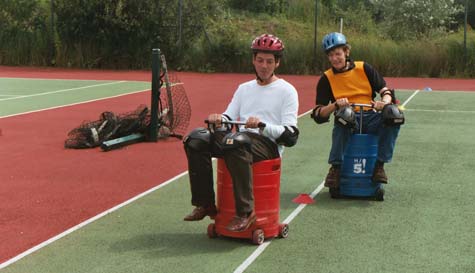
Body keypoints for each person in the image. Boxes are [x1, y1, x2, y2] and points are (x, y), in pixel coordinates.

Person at [183, 34, 299, 232]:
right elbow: (229, 120)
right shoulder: (244, 89)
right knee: (196, 139)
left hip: (267, 144)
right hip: (239, 140)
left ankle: (245, 212)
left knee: (235, 141)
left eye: (269, 61)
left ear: (277, 63)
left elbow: (291, 136)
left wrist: (262, 126)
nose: (264, 66)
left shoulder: (287, 91)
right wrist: (219, 119)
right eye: (260, 60)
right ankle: (205, 203)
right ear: (253, 60)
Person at [311, 32, 402, 189]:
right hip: (348, 118)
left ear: (346, 52)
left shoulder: (364, 68)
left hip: (370, 116)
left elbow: (386, 91)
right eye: (330, 55)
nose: (334, 58)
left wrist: (384, 103)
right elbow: (318, 113)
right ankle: (336, 168)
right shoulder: (326, 78)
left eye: (338, 53)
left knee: (394, 114)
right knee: (345, 114)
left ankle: (379, 166)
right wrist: (335, 105)